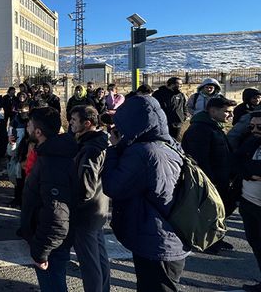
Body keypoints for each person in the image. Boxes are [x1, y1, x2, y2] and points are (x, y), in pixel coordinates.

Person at [102, 96, 189, 291]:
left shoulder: (143, 152)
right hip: (168, 235)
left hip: (157, 241)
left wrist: (114, 150)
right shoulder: (168, 145)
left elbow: (113, 186)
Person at [19, 106, 78, 292]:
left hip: (49, 244)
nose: (27, 128)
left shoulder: (52, 162)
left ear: (38, 131)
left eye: (29, 125)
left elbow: (57, 217)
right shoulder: (49, 154)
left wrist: (40, 251)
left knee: (53, 285)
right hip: (46, 238)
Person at [182, 96, 237, 253]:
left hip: (221, 180)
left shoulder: (214, 127)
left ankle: (217, 239)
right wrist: (210, 182)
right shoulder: (200, 130)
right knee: (209, 213)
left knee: (219, 213)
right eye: (226, 112)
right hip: (210, 183)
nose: (230, 116)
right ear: (212, 111)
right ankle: (209, 243)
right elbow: (199, 160)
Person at [68, 106, 110, 292]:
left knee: (90, 263)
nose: (70, 123)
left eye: (74, 120)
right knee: (99, 257)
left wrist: (72, 204)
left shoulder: (90, 149)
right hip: (98, 209)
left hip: (86, 213)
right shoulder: (99, 142)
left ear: (87, 123)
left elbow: (86, 188)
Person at [233, 112, 261, 292]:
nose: (255, 130)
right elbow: (235, 162)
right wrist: (250, 173)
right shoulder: (251, 142)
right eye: (251, 127)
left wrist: (249, 168)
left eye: (260, 127)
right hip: (248, 203)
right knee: (257, 244)